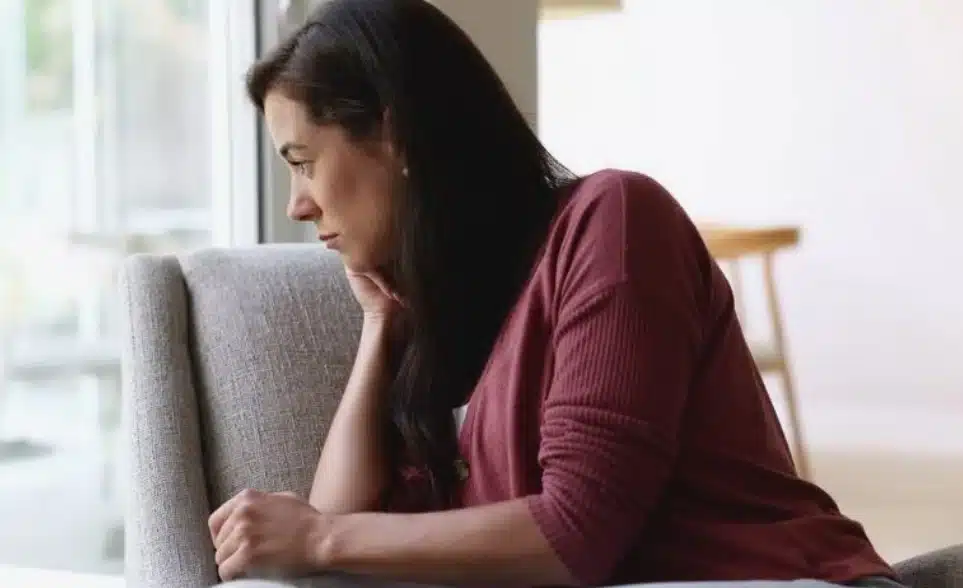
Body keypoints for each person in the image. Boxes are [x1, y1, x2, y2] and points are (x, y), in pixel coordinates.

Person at [207, 1, 901, 587]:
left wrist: (319, 538)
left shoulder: (615, 222)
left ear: (395, 135)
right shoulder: (436, 308)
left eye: (304, 162)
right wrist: (379, 327)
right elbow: (337, 532)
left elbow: (577, 531)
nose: (297, 204)